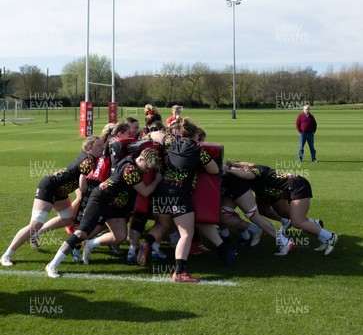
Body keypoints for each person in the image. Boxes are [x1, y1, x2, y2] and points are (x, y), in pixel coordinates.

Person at [44, 148, 162, 277]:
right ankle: (53, 264)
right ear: (140, 159)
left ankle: (90, 244)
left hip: (115, 205)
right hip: (101, 200)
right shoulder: (130, 169)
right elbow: (145, 191)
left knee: (120, 235)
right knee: (81, 232)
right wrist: (157, 180)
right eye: (147, 167)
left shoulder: (133, 163)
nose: (147, 171)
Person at [136, 117, 219, 283]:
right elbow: (214, 169)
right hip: (178, 194)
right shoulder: (198, 150)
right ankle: (180, 272)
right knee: (186, 233)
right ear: (195, 135)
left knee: (163, 224)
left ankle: (147, 241)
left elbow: (155, 134)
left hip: (161, 191)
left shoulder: (170, 141)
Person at [1, 136, 105, 267]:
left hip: (59, 191)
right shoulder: (89, 161)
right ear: (90, 148)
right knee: (35, 224)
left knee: (67, 219)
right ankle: (6, 255)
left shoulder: (90, 158)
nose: (102, 148)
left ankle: (35, 235)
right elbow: (82, 187)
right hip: (49, 187)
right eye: (99, 145)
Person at [225, 161, 338, 256]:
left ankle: (330, 237)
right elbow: (246, 165)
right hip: (279, 191)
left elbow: (247, 175)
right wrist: (234, 164)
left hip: (296, 187)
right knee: (265, 210)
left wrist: (227, 169)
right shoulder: (252, 167)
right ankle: (322, 238)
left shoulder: (254, 171)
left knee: (298, 222)